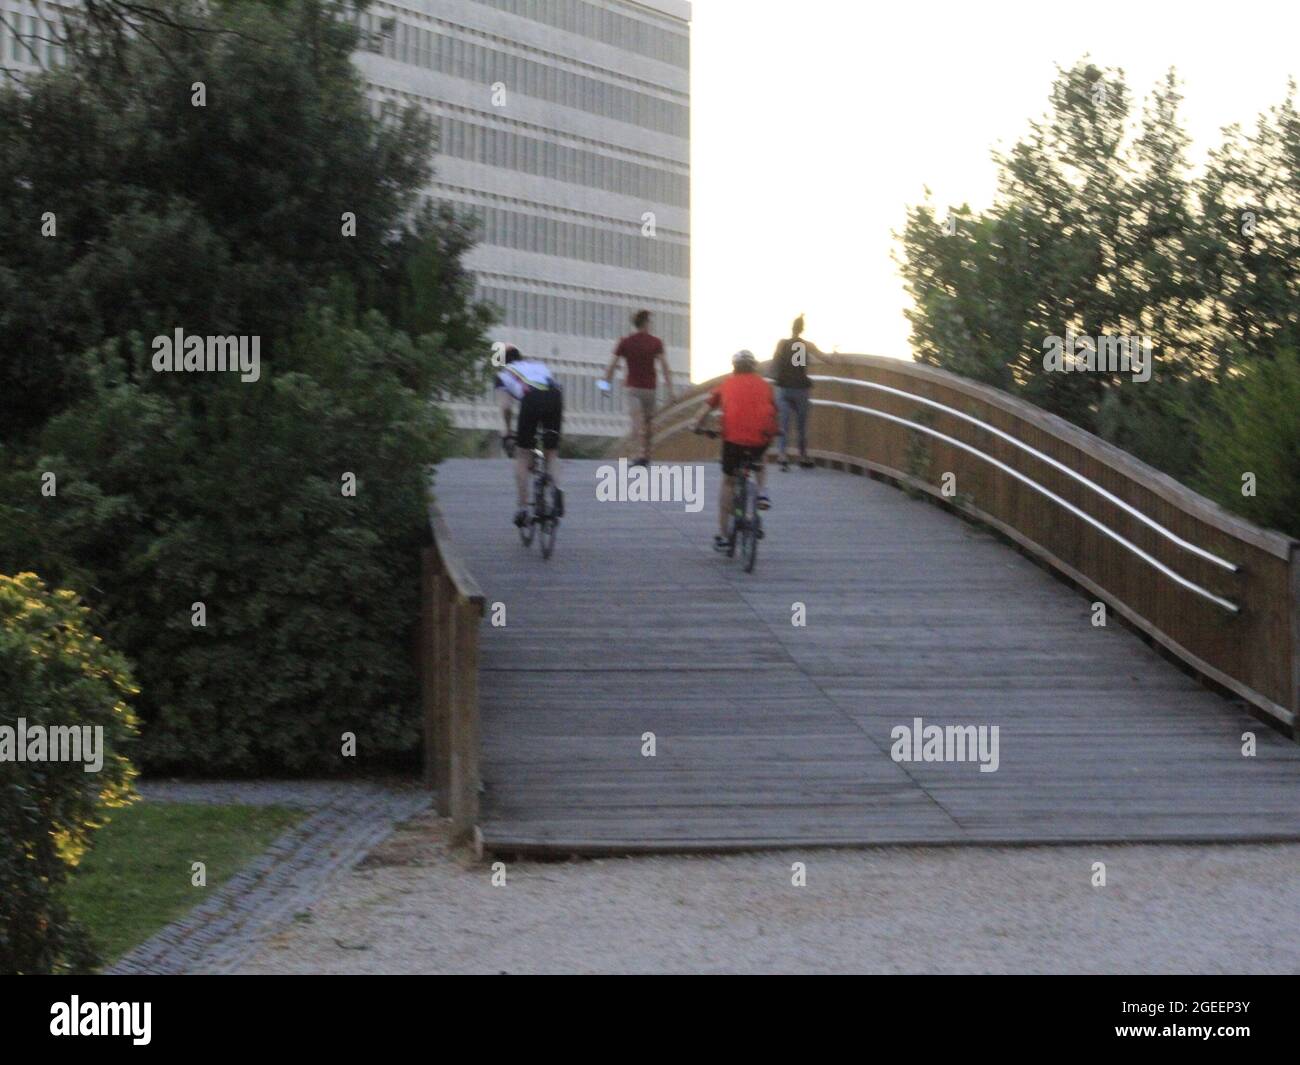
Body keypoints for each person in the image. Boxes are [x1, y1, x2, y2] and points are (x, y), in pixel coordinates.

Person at [692, 349, 778, 552]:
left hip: (733, 440)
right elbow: (773, 413)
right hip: (759, 439)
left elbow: (704, 411)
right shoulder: (765, 386)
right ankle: (762, 493)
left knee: (729, 481)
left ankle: (723, 535)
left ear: (734, 367)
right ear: (754, 367)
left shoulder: (726, 385)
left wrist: (696, 426)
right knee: (760, 455)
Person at [495, 345, 563, 528]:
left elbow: (506, 407)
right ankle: (556, 489)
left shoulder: (503, 375)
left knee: (522, 455)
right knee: (551, 451)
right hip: (555, 397)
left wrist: (508, 432)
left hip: (531, 398)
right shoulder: (538, 365)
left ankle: (523, 509)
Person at [604, 309, 675, 467]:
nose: (651, 324)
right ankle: (645, 454)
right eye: (650, 321)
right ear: (645, 323)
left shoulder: (625, 341)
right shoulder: (656, 342)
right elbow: (664, 366)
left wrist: (604, 386)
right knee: (649, 423)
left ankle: (638, 454)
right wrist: (671, 390)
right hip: (650, 389)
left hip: (633, 388)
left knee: (636, 422)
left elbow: (611, 366)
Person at [770, 314, 826, 470]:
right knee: (801, 425)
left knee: (784, 424)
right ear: (802, 329)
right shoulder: (806, 345)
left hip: (783, 388)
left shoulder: (782, 344)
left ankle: (782, 455)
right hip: (801, 388)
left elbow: (775, 362)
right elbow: (824, 359)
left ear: (792, 328)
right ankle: (803, 456)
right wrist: (835, 356)